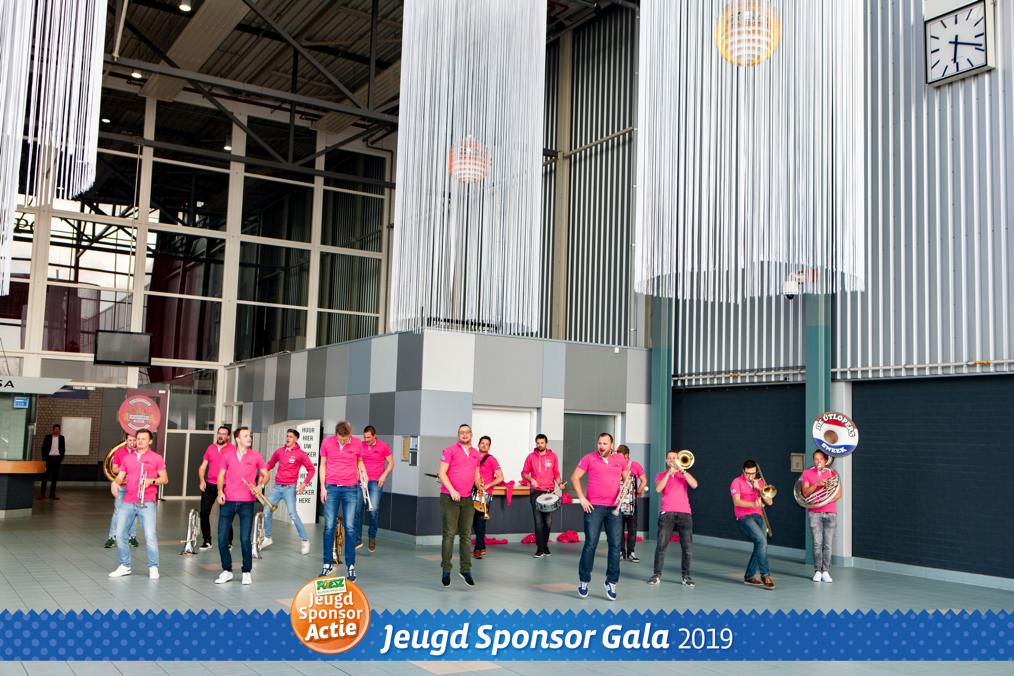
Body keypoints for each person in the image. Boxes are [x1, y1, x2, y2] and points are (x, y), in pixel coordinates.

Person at [571, 432, 629, 601]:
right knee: (590, 544)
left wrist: (626, 489)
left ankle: (611, 582)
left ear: (611, 445)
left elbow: (627, 481)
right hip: (594, 507)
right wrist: (582, 498)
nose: (601, 446)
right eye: (599, 443)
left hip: (614, 508)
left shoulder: (620, 460)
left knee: (616, 546)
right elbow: (575, 477)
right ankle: (584, 581)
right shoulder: (589, 458)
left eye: (605, 443)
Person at [108, 429, 168, 579]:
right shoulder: (128, 458)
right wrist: (115, 483)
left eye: (143, 439)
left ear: (150, 441)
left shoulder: (156, 458)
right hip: (128, 501)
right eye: (138, 439)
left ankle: (153, 567)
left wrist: (151, 481)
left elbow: (164, 479)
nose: (139, 441)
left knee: (150, 535)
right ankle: (125, 565)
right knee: (120, 534)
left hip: (147, 501)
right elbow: (120, 476)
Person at [214, 427, 267, 586]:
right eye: (245, 436)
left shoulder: (255, 455)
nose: (249, 438)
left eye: (250, 436)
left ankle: (246, 572)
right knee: (222, 537)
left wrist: (260, 485)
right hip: (228, 501)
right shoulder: (227, 455)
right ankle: (227, 570)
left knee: (244, 539)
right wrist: (219, 492)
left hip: (247, 503)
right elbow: (221, 476)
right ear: (237, 439)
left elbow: (266, 474)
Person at [319, 421, 366, 581]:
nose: (343, 442)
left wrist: (364, 474)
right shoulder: (327, 442)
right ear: (336, 434)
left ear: (350, 434)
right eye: (340, 439)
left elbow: (360, 461)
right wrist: (323, 487)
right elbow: (323, 465)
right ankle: (327, 564)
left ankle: (350, 566)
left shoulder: (357, 443)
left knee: (350, 528)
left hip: (350, 488)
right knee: (329, 527)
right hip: (331, 487)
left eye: (346, 439)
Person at [437, 423, 481, 587]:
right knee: (449, 534)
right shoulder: (450, 451)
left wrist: (479, 484)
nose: (464, 435)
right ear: (458, 435)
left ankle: (465, 570)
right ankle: (446, 570)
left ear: (471, 434)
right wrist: (452, 490)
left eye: (467, 432)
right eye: (461, 432)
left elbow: (476, 474)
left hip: (467, 499)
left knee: (466, 535)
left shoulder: (476, 454)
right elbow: (441, 473)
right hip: (449, 497)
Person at [649, 450, 698, 587]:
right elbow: (658, 489)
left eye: (674, 458)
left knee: (687, 548)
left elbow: (694, 485)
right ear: (666, 461)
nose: (672, 460)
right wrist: (668, 474)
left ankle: (686, 577)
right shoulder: (661, 475)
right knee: (661, 546)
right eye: (669, 458)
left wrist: (682, 471)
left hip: (685, 513)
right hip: (667, 514)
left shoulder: (684, 474)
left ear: (678, 459)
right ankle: (656, 575)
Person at [261, 428, 314, 555]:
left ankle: (305, 540)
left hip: (290, 488)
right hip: (277, 488)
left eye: (290, 436)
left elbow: (311, 469)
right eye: (287, 436)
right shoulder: (279, 451)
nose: (287, 438)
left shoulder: (300, 454)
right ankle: (267, 537)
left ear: (296, 439)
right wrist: (263, 473)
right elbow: (270, 464)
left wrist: (304, 483)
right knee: (266, 511)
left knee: (293, 514)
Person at [730, 459, 775, 590]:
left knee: (761, 544)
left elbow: (770, 502)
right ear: (743, 471)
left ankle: (749, 576)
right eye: (748, 473)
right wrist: (753, 504)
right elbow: (737, 502)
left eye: (753, 473)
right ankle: (765, 575)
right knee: (761, 540)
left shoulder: (759, 482)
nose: (750, 476)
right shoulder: (736, 482)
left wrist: (759, 488)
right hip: (744, 517)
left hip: (759, 516)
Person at [801, 450, 842, 583]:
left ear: (825, 461)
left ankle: (826, 571)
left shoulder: (832, 474)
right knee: (817, 543)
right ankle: (818, 571)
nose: (818, 462)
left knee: (828, 544)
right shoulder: (807, 473)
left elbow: (839, 494)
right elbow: (805, 493)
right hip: (814, 513)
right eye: (816, 459)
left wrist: (823, 501)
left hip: (830, 512)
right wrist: (816, 484)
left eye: (821, 459)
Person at [521, 434, 562, 558]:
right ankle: (540, 549)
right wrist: (531, 479)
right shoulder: (531, 457)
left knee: (548, 522)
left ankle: (545, 546)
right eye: (538, 443)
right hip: (536, 492)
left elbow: (556, 472)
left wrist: (559, 483)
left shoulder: (553, 456)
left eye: (542, 443)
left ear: (546, 443)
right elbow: (524, 473)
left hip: (549, 492)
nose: (540, 445)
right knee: (538, 522)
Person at [354, 425, 393, 552]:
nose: (366, 440)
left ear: (374, 436)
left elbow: (391, 463)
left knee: (373, 511)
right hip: (361, 481)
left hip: (376, 482)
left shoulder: (383, 446)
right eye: (365, 437)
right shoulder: (360, 445)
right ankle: (357, 539)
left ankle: (372, 537)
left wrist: (383, 476)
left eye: (369, 437)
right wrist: (359, 474)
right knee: (357, 510)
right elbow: (357, 461)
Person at [197, 426, 235, 550]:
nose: (220, 436)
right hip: (210, 485)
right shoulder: (210, 448)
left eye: (224, 434)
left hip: (226, 486)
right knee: (204, 512)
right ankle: (207, 540)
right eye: (219, 433)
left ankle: (228, 541)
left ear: (228, 436)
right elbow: (203, 467)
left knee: (226, 514)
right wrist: (202, 480)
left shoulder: (233, 449)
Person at [104, 432, 139, 549]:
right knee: (118, 512)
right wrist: (126, 469)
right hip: (121, 487)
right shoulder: (119, 452)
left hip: (134, 487)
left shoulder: (139, 452)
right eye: (130, 440)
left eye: (134, 440)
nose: (132, 443)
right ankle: (112, 538)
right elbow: (114, 469)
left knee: (133, 512)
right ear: (125, 440)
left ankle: (132, 537)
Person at [472, 435, 504, 559]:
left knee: (480, 521)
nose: (484, 445)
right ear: (478, 444)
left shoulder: (491, 459)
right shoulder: (473, 457)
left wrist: (487, 486)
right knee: (474, 522)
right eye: (482, 443)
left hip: (485, 493)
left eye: (487, 444)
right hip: (473, 492)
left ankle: (478, 549)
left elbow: (501, 477)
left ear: (489, 447)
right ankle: (482, 546)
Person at [616, 445, 648, 563]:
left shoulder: (635, 465)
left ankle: (631, 552)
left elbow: (644, 480)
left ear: (627, 456)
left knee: (632, 529)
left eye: (621, 457)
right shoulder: (615, 466)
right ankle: (621, 552)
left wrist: (639, 490)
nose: (618, 459)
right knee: (618, 528)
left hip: (632, 503)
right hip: (618, 503)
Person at [39, 424, 66, 500]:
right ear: (53, 430)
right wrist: (44, 457)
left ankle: (52, 494)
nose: (57, 430)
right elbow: (43, 447)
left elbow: (63, 448)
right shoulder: (48, 437)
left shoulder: (62, 438)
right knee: (45, 477)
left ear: (59, 430)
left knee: (54, 477)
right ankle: (42, 494)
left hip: (57, 459)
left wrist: (61, 457)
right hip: (49, 458)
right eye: (55, 429)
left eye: (58, 429)